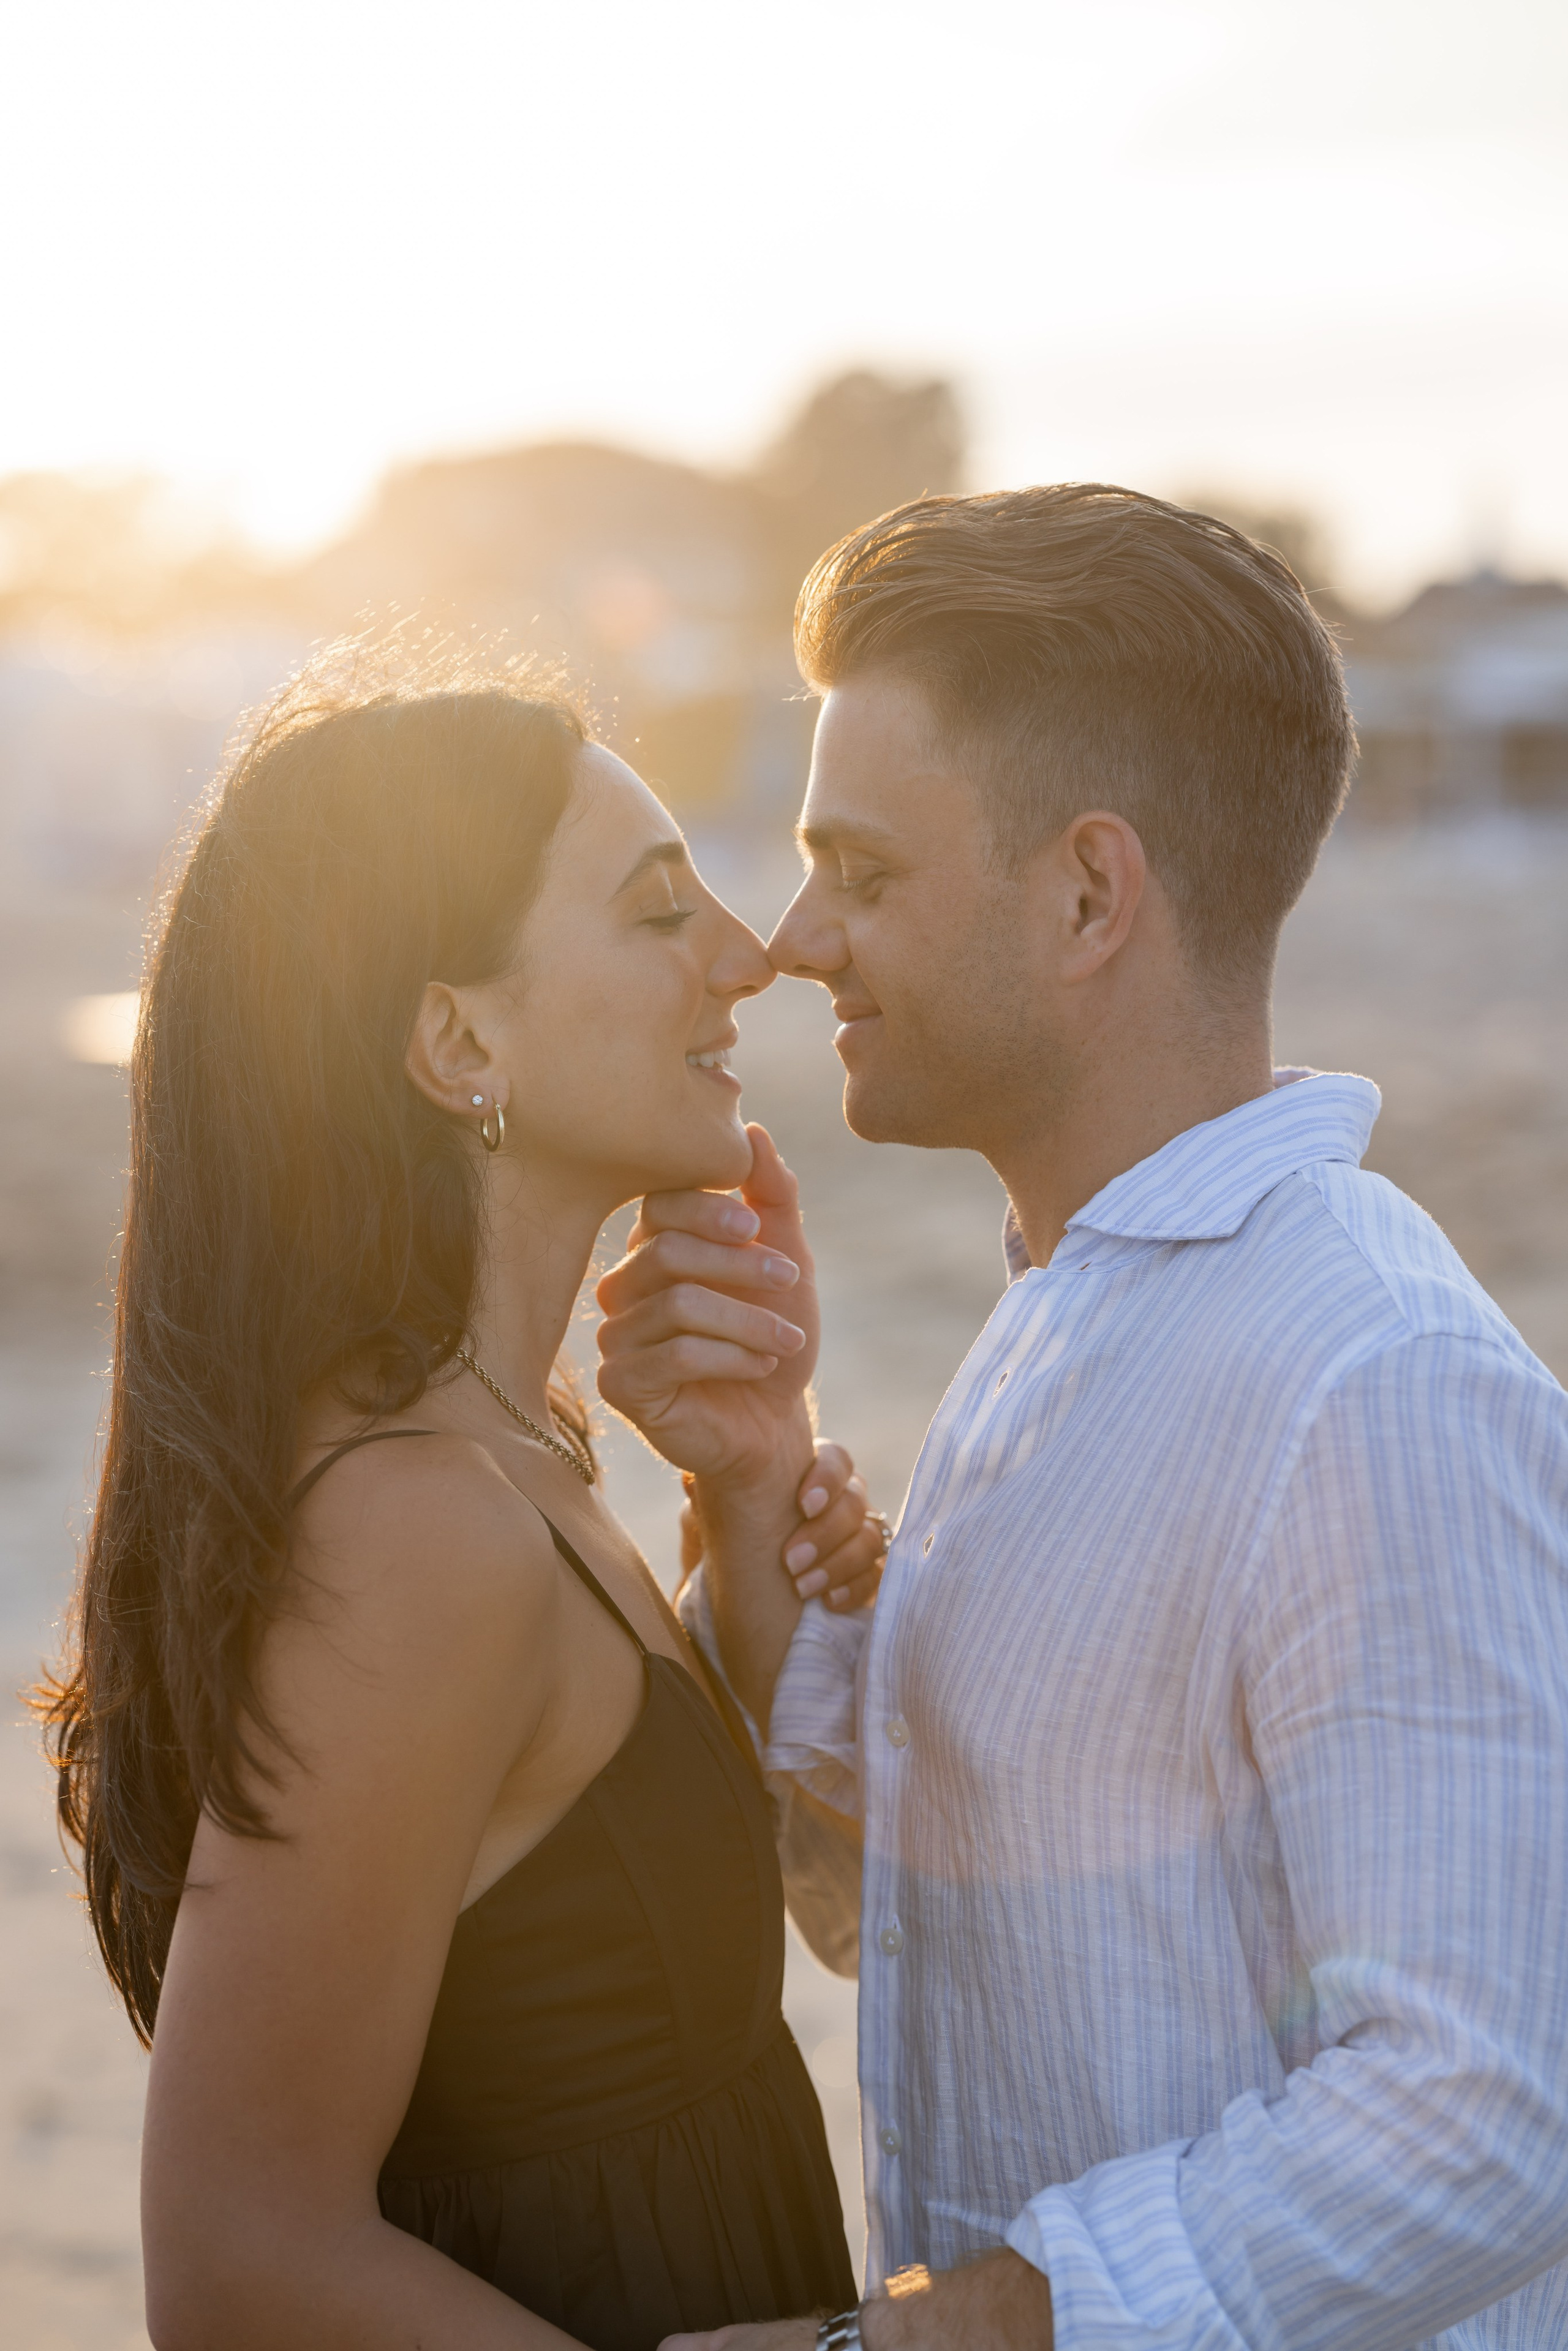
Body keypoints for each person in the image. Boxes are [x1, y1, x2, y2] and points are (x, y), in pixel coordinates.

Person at [595, 488, 1568, 2351]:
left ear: (1091, 893)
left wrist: (914, 2346)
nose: (797, 938)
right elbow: (980, 1903)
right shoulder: (1083, 1307)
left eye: (863, 872)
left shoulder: (1374, 1378)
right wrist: (760, 1476)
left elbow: (1492, 2109)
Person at [40, 652, 889, 2351]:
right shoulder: (418, 1532)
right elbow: (236, 2265)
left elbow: (826, 1913)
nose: (751, 955)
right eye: (660, 914)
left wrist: (751, 1486)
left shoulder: (524, 1452)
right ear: (455, 1036)